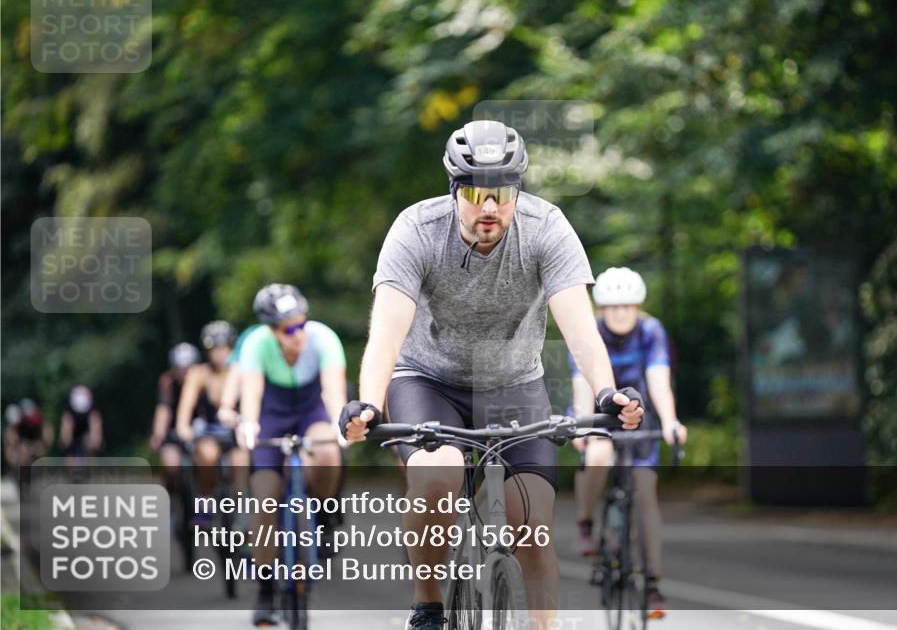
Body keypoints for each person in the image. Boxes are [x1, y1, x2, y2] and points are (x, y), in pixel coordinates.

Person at [339, 120, 644, 630]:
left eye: (501, 194)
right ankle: (429, 606)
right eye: (477, 193)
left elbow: (581, 331)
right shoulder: (415, 230)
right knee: (437, 473)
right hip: (428, 380)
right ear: (455, 190)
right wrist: (368, 403)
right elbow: (386, 335)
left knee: (533, 525)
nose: (489, 208)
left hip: (513, 383)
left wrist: (607, 393)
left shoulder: (546, 229)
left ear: (516, 191)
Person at [569, 267, 688, 613]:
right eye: (612, 306)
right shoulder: (589, 332)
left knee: (646, 491)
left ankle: (652, 583)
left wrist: (670, 422)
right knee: (598, 457)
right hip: (596, 409)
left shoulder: (651, 331)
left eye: (627, 306)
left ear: (638, 307)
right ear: (601, 309)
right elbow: (580, 383)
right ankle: (586, 521)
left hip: (638, 415)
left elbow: (658, 380)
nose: (620, 313)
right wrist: (580, 426)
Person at [236, 284, 348, 627]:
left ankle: (325, 514)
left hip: (311, 410)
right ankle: (266, 589)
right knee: (265, 497)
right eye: (289, 329)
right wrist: (249, 424)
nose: (298, 333)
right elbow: (251, 395)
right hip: (273, 414)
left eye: (301, 324)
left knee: (328, 452)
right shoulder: (256, 343)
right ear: (272, 329)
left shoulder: (323, 338)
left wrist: (339, 423)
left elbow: (333, 391)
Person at [175, 321, 250, 524]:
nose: (220, 353)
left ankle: (242, 511)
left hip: (236, 432)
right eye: (214, 349)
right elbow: (185, 408)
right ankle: (205, 501)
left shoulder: (242, 371)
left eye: (224, 348)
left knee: (242, 459)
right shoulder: (199, 374)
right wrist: (184, 429)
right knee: (207, 455)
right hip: (209, 433)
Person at [150, 342, 200, 489]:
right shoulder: (168, 382)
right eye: (182, 369)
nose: (185, 373)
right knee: (172, 465)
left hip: (199, 433)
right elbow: (163, 410)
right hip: (173, 435)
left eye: (189, 368)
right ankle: (170, 498)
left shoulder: (203, 379)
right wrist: (158, 434)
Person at [4, 399, 53, 471]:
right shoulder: (15, 424)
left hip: (31, 443)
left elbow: (46, 431)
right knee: (18, 452)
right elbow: (12, 440)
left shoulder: (36, 419)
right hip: (23, 445)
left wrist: (43, 444)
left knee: (36, 450)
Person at [59, 386, 102, 461]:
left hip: (87, 432)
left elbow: (96, 430)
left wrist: (95, 442)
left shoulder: (93, 411)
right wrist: (66, 443)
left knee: (92, 446)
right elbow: (65, 433)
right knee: (68, 448)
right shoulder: (68, 411)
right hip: (74, 433)